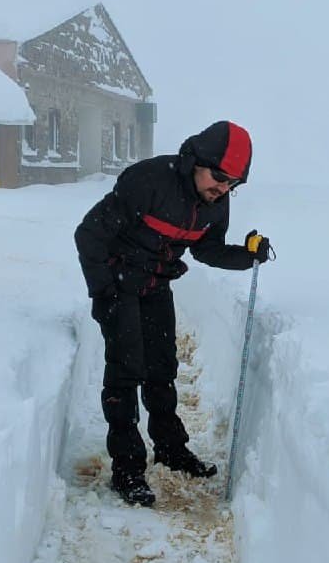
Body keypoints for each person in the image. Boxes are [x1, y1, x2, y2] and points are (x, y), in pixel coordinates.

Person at [74, 121, 273, 507]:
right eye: (219, 176)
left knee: (162, 369)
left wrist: (246, 257)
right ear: (195, 161)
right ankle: (128, 468)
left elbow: (206, 249)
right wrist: (104, 293)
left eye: (233, 183)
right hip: (118, 284)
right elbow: (89, 235)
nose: (224, 188)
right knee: (125, 373)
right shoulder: (148, 181)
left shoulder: (215, 203)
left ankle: (171, 449)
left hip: (156, 285)